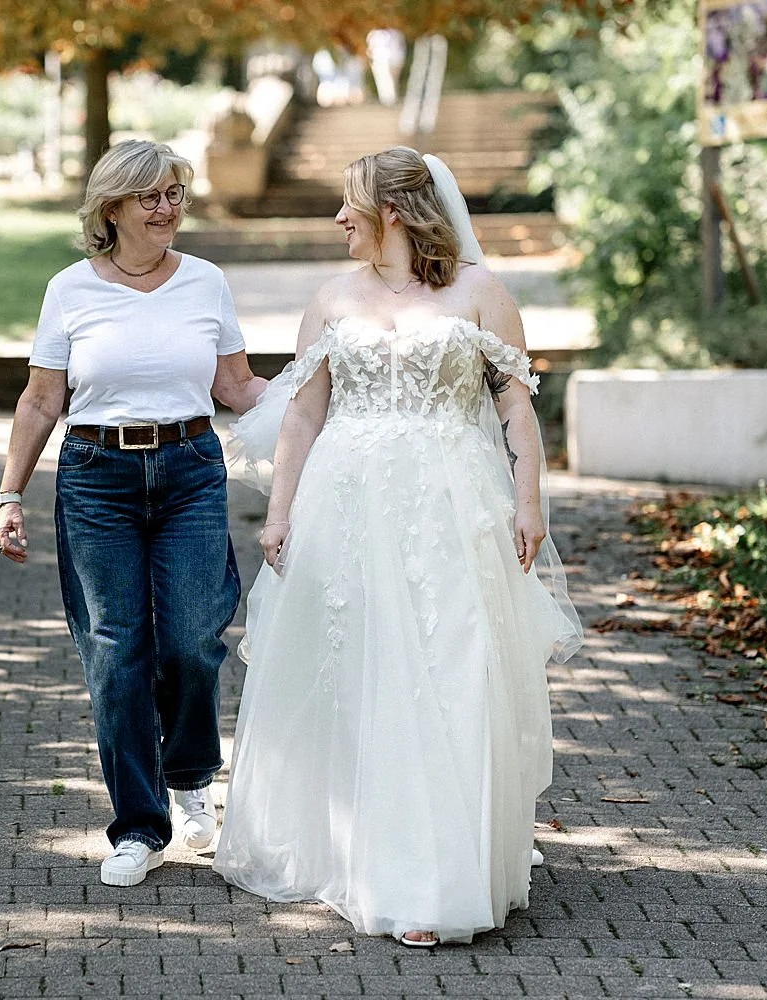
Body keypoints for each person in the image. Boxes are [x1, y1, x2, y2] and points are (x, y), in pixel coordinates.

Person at [213, 146, 583, 945]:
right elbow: (305, 414)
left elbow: (515, 409)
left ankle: (436, 876)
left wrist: (529, 503)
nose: (338, 219)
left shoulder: (481, 293)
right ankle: (360, 854)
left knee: (450, 668)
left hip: (453, 504)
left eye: (350, 205)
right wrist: (279, 514)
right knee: (362, 669)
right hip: (346, 501)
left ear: (393, 212)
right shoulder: (330, 298)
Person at [0, 139, 265, 888]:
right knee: (116, 654)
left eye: (175, 193)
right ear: (110, 208)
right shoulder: (70, 290)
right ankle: (138, 828)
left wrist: (329, 394)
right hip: (96, 477)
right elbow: (42, 398)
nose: (167, 208)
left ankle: (190, 778)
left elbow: (238, 388)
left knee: (190, 638)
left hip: (188, 471)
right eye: (150, 196)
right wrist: (10, 494)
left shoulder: (206, 283)